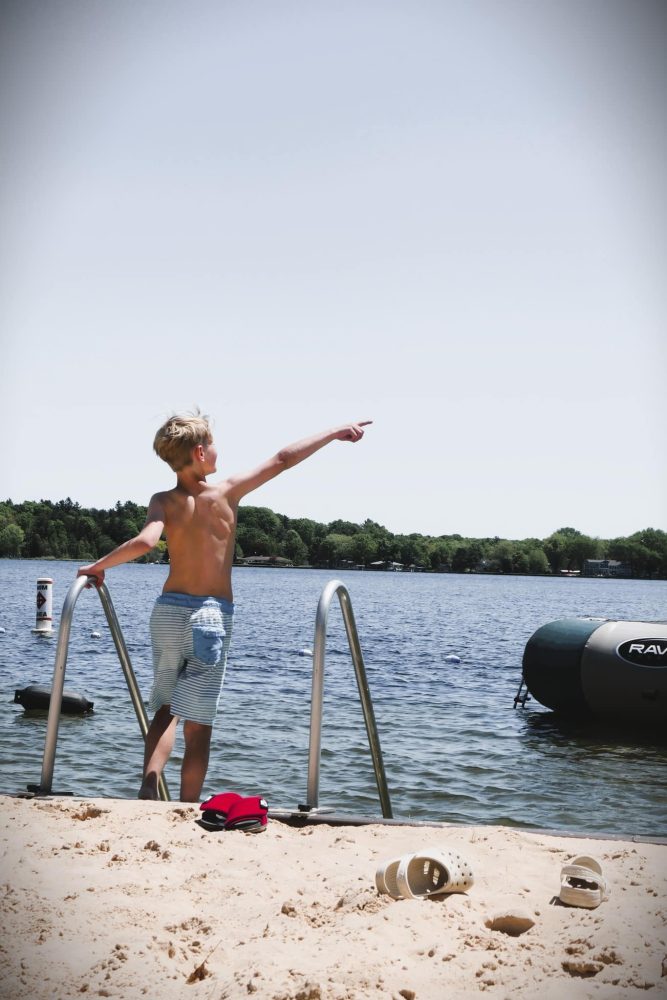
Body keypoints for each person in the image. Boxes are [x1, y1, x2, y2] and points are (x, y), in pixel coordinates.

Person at [77, 413, 372, 802]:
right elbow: (283, 458)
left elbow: (146, 542)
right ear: (200, 452)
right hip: (210, 616)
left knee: (166, 707)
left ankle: (150, 784)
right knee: (197, 724)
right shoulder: (227, 492)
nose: (217, 451)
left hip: (167, 613)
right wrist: (334, 432)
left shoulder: (162, 500)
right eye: (213, 444)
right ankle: (185, 806)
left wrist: (98, 567)